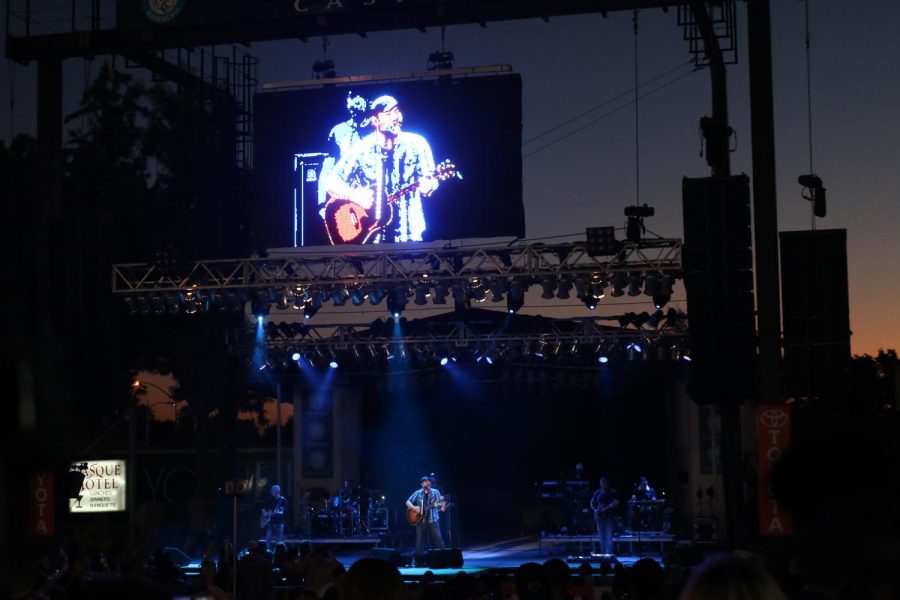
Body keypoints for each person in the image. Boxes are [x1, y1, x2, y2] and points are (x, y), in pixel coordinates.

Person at [324, 95, 439, 243]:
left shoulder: (418, 144)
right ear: (375, 120)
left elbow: (431, 180)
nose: (396, 117)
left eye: (397, 111)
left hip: (412, 237)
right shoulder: (362, 149)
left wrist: (430, 186)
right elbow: (331, 182)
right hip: (372, 241)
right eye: (389, 113)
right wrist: (355, 196)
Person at [406, 475, 446, 560]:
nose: (427, 482)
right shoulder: (417, 493)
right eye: (425, 481)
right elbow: (407, 502)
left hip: (433, 520)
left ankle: (444, 558)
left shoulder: (436, 492)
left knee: (438, 540)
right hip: (420, 520)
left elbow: (439, 506)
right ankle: (419, 560)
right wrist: (414, 508)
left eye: (428, 481)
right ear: (422, 484)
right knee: (419, 541)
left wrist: (438, 505)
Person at [589, 477, 619, 556]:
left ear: (607, 484)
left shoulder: (612, 492)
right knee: (601, 538)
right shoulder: (598, 492)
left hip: (608, 518)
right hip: (599, 518)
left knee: (609, 537)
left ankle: (609, 555)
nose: (602, 485)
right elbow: (592, 502)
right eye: (601, 484)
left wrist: (606, 509)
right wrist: (595, 510)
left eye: (603, 484)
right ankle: (603, 555)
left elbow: (615, 503)